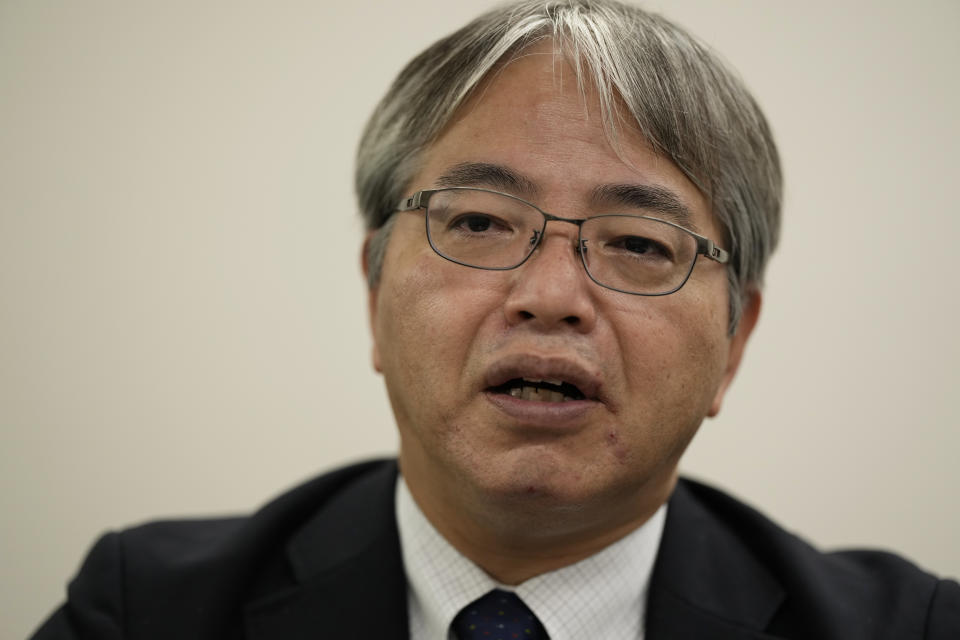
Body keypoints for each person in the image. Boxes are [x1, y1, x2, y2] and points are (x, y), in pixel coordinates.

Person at [30, 1, 959, 638]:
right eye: (477, 222)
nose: (551, 296)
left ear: (734, 345)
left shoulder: (908, 628)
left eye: (638, 243)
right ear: (372, 288)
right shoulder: (149, 609)